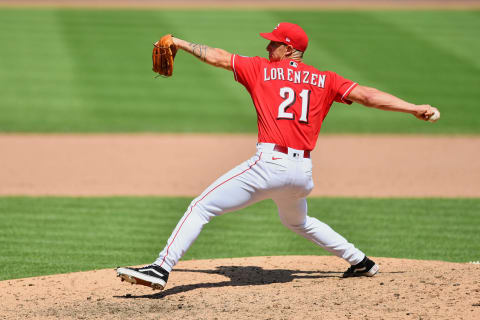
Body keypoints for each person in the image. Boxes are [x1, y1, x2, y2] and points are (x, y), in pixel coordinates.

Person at [116, 22, 440, 290]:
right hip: (301, 174)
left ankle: (161, 268)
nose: (267, 48)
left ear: (288, 49)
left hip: (269, 165)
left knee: (201, 206)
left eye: (273, 44)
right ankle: (361, 262)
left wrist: (181, 43)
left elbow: (218, 57)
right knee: (298, 221)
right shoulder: (326, 80)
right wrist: (413, 108)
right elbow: (367, 95)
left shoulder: (260, 70)